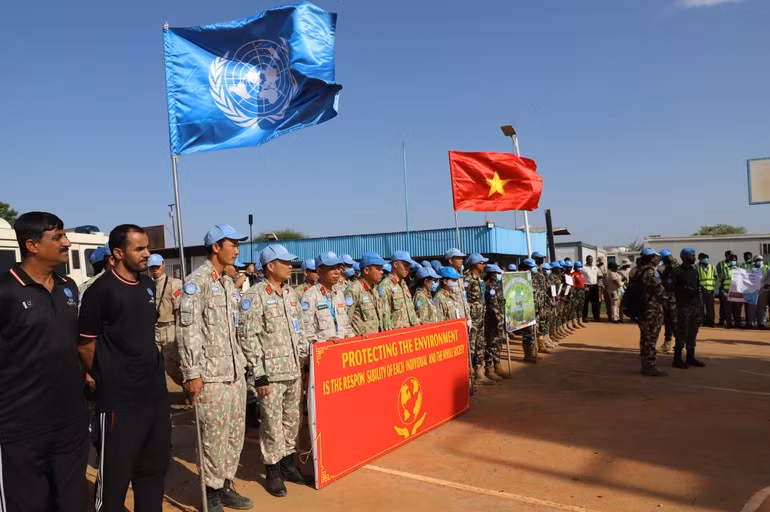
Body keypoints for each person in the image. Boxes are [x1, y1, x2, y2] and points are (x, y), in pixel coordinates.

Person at [0, 212, 88, 512]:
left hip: (70, 422)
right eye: (59, 236)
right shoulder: (5, 290)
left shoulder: (68, 287)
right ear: (32, 245)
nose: (68, 242)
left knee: (72, 502)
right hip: (20, 426)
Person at [79, 224, 171, 510]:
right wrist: (109, 375)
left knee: (153, 473)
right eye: (139, 249)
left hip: (154, 397)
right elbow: (85, 345)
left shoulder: (147, 285)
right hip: (120, 402)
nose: (147, 254)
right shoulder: (100, 291)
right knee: (115, 481)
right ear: (118, 253)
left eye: (147, 248)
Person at [176, 224, 252, 511]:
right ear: (216, 247)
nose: (237, 249)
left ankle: (226, 483)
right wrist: (192, 373)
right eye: (232, 244)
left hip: (234, 374)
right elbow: (188, 330)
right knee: (213, 439)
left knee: (234, 435)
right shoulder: (198, 282)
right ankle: (212, 492)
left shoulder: (225, 282)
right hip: (211, 377)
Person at [237, 244, 309, 497]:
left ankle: (288, 463)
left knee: (292, 421)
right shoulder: (254, 296)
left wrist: (303, 359)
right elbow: (247, 337)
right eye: (285, 262)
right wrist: (259, 375)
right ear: (270, 266)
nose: (291, 266)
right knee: (271, 424)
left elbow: (299, 330)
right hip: (270, 374)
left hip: (292, 370)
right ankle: (273, 469)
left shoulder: (290, 294)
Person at [302, 252, 355, 342]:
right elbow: (306, 332)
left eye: (338, 268)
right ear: (319, 270)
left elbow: (346, 325)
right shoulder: (310, 296)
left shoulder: (339, 294)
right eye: (331, 268)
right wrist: (325, 343)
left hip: (343, 349)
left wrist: (355, 339)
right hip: (325, 352)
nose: (337, 272)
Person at [148, 254, 184, 386]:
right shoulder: (148, 285)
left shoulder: (174, 284)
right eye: (152, 267)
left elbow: (179, 310)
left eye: (157, 266)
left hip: (170, 328)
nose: (155, 270)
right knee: (152, 364)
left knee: (171, 366)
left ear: (163, 265)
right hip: (154, 328)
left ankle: (187, 387)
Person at [671, 248, 705, 369]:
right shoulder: (677, 271)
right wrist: (684, 290)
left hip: (695, 305)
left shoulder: (693, 270)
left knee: (693, 332)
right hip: (684, 306)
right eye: (692, 255)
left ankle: (690, 357)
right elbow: (671, 287)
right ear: (685, 257)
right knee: (682, 332)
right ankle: (677, 359)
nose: (694, 257)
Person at [635, 248, 667, 377]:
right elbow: (659, 291)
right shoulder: (650, 273)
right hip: (651, 309)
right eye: (655, 257)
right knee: (651, 339)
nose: (657, 259)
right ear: (650, 258)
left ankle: (645, 364)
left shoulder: (638, 271)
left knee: (645, 338)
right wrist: (668, 301)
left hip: (643, 308)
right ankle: (650, 366)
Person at [464, 253, 494, 385]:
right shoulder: (467, 279)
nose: (484, 265)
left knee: (480, 345)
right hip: (472, 320)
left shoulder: (478, 278)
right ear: (476, 264)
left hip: (480, 318)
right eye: (482, 263)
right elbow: (464, 300)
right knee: (470, 348)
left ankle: (479, 373)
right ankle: (468, 378)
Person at [378, 250, 421, 331]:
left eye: (409, 266)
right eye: (405, 265)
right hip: (397, 336)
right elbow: (384, 317)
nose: (408, 269)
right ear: (395, 264)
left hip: (410, 333)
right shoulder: (385, 286)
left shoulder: (403, 284)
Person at [345, 251, 386, 335]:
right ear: (366, 270)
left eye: (381, 269)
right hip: (361, 344)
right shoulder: (353, 290)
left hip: (376, 340)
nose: (381, 272)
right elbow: (345, 322)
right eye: (378, 269)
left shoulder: (375, 288)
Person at [483, 264, 510, 375]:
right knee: (492, 344)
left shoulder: (499, 286)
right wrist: (500, 317)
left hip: (500, 320)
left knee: (498, 343)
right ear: (492, 275)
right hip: (493, 321)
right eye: (497, 273)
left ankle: (497, 365)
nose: (499, 275)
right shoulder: (490, 287)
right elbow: (493, 306)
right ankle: (489, 368)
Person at [517, 259, 541, 362]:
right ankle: (527, 355)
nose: (530, 270)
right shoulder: (519, 279)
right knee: (527, 333)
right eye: (528, 268)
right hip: (525, 310)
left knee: (533, 332)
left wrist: (539, 308)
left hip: (534, 309)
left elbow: (537, 295)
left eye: (530, 268)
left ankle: (531, 352)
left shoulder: (533, 278)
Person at [658, 249, 678, 352]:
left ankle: (679, 344)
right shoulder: (669, 268)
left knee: (673, 321)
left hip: (673, 299)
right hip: (668, 298)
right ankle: (667, 344)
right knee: (668, 321)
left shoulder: (673, 269)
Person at [444, 248, 470, 323]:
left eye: (461, 258)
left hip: (463, 316)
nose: (461, 260)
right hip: (453, 318)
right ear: (450, 261)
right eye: (458, 258)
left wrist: (468, 316)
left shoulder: (459, 276)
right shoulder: (446, 276)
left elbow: (463, 297)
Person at [696, 253, 716, 327]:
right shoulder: (697, 267)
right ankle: (701, 321)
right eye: (704, 258)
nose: (706, 259)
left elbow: (715, 276)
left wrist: (713, 286)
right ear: (700, 259)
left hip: (710, 290)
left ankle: (710, 321)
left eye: (707, 258)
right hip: (700, 289)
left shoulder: (712, 267)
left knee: (710, 306)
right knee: (700, 306)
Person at [581, 255, 602, 322]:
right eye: (589, 259)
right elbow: (581, 277)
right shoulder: (583, 268)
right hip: (587, 286)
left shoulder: (595, 267)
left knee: (595, 302)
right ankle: (585, 317)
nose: (590, 260)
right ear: (586, 260)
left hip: (595, 286)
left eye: (591, 259)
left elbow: (599, 275)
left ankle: (596, 317)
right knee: (586, 302)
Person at [716, 250, 734, 327]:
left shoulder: (735, 263)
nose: (730, 256)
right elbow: (720, 276)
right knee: (723, 305)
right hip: (724, 287)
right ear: (726, 255)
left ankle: (731, 320)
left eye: (732, 255)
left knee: (732, 306)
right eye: (729, 255)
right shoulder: (720, 264)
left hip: (733, 288)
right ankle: (722, 320)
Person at [571, 261, 586, 329]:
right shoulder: (573, 274)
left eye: (580, 267)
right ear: (575, 267)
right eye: (578, 267)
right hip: (576, 291)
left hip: (582, 291)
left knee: (581, 306)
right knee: (575, 307)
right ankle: (574, 322)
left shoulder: (581, 274)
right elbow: (573, 284)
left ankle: (580, 320)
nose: (580, 268)